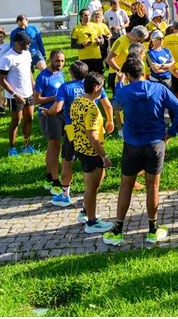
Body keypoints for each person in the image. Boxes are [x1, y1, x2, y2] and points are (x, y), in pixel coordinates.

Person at [103, 54, 178, 246]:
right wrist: (171, 132)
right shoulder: (159, 88)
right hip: (156, 143)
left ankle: (117, 230)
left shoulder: (124, 92)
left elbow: (115, 105)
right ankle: (152, 230)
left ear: (128, 75)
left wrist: (119, 85)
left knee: (126, 186)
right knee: (153, 187)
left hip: (132, 144)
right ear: (142, 72)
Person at [47, 60, 112, 209]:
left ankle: (65, 195)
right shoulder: (93, 84)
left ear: (71, 73)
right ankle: (89, 195)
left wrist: (47, 112)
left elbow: (57, 108)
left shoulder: (66, 87)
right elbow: (107, 105)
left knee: (67, 161)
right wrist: (110, 121)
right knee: (94, 166)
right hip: (93, 128)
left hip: (73, 130)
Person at [69, 72, 115, 234]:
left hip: (80, 148)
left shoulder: (77, 102)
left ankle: (85, 211)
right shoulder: (92, 108)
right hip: (92, 151)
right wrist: (104, 156)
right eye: (102, 88)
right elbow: (92, 136)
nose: (103, 91)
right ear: (96, 88)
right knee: (92, 187)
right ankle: (92, 222)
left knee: (92, 184)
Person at [33, 50, 66, 196]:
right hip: (48, 115)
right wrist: (56, 97)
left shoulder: (61, 74)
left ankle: (48, 177)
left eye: (62, 61)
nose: (60, 64)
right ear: (51, 60)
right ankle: (55, 180)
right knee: (54, 147)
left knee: (53, 145)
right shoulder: (42, 77)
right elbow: (36, 100)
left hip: (60, 113)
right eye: (57, 61)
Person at [0, 32, 35, 156]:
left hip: (28, 93)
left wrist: (33, 84)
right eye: (27, 43)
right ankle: (12, 147)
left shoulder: (27, 54)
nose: (29, 46)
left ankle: (26, 145)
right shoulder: (7, 58)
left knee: (29, 119)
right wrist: (14, 94)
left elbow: (29, 71)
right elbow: (1, 80)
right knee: (16, 121)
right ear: (18, 43)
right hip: (15, 96)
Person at [71, 9, 104, 76]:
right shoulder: (76, 29)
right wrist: (82, 45)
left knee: (99, 75)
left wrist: (99, 41)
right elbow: (73, 45)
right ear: (81, 17)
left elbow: (102, 40)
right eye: (85, 15)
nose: (88, 17)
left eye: (89, 15)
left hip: (96, 56)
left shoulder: (96, 26)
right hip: (84, 58)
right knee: (87, 77)